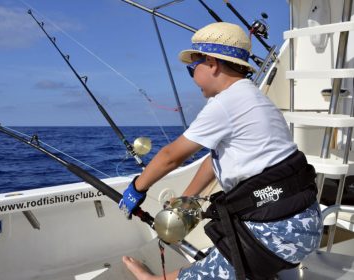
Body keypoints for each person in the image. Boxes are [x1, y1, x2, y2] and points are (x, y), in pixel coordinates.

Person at [118, 22, 322, 280]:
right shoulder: (257, 100)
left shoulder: (226, 103)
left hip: (276, 234)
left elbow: (171, 157)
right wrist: (186, 200)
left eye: (192, 68)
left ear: (212, 63)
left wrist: (137, 188)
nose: (192, 77)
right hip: (305, 224)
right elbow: (215, 161)